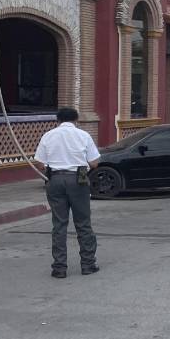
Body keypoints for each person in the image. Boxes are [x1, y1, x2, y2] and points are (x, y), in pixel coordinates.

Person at [33, 108, 100, 279]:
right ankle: (88, 264)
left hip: (55, 180)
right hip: (79, 179)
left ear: (58, 120)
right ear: (76, 120)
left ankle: (59, 267)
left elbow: (39, 163)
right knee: (83, 223)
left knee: (59, 224)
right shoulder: (83, 135)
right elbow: (94, 163)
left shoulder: (48, 135)